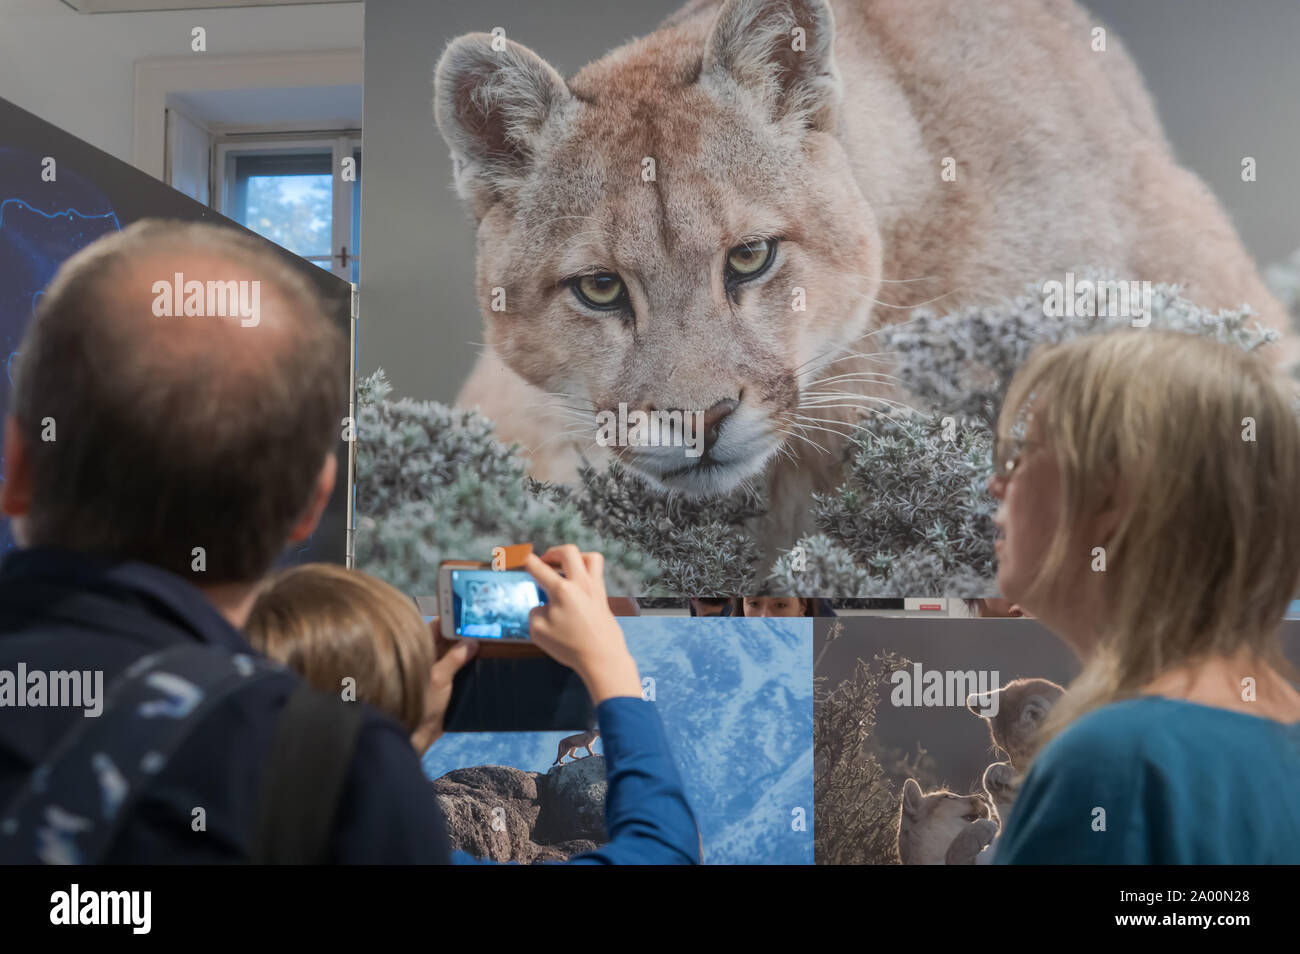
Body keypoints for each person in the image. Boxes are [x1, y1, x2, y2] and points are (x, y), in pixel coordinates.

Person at [0, 220, 697, 865]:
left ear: (16, 466)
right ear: (311, 502)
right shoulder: (327, 784)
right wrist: (614, 676)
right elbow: (659, 855)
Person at [987, 330, 1300, 863]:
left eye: (1023, 454)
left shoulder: (1113, 764)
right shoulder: (1279, 741)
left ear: (1111, 496)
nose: (999, 485)